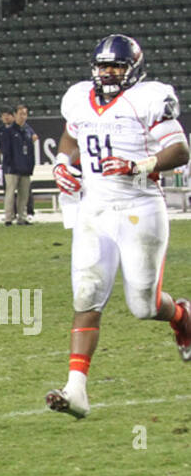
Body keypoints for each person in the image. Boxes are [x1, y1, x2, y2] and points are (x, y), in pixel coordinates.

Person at [47, 34, 191, 419]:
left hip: (139, 207)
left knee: (143, 305)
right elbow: (72, 133)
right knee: (86, 295)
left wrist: (137, 165)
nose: (108, 73)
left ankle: (182, 316)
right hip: (94, 210)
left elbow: (180, 151)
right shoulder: (79, 97)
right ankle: (76, 389)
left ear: (133, 70)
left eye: (116, 67)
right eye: (103, 66)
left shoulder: (148, 97)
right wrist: (63, 161)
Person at [0, 103, 36, 225]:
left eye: (25, 114)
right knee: (10, 192)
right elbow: (5, 151)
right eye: (20, 114)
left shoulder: (28, 131)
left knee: (24, 194)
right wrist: (7, 165)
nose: (23, 117)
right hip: (12, 167)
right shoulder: (8, 131)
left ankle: (22, 217)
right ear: (15, 115)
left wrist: (30, 165)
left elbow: (30, 150)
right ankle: (8, 217)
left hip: (25, 167)